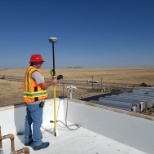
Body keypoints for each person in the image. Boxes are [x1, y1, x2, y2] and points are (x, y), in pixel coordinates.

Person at [23, 54, 58, 150]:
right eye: (40, 62)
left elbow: (38, 83)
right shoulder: (35, 72)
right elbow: (43, 85)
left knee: (28, 120)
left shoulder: (29, 70)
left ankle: (27, 139)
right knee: (37, 122)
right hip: (36, 102)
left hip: (29, 101)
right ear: (35, 62)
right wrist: (53, 82)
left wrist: (50, 81)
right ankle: (38, 143)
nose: (41, 63)